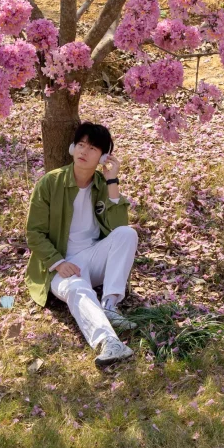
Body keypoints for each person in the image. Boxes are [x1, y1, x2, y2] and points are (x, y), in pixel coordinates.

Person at [24, 121, 139, 367]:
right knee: (77, 289)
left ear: (103, 156)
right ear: (72, 148)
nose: (84, 152)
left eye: (93, 148)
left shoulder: (101, 185)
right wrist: (58, 262)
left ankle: (110, 305)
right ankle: (109, 343)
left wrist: (112, 182)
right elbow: (33, 233)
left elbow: (118, 226)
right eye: (81, 144)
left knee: (127, 234)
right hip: (59, 265)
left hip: (93, 259)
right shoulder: (50, 183)